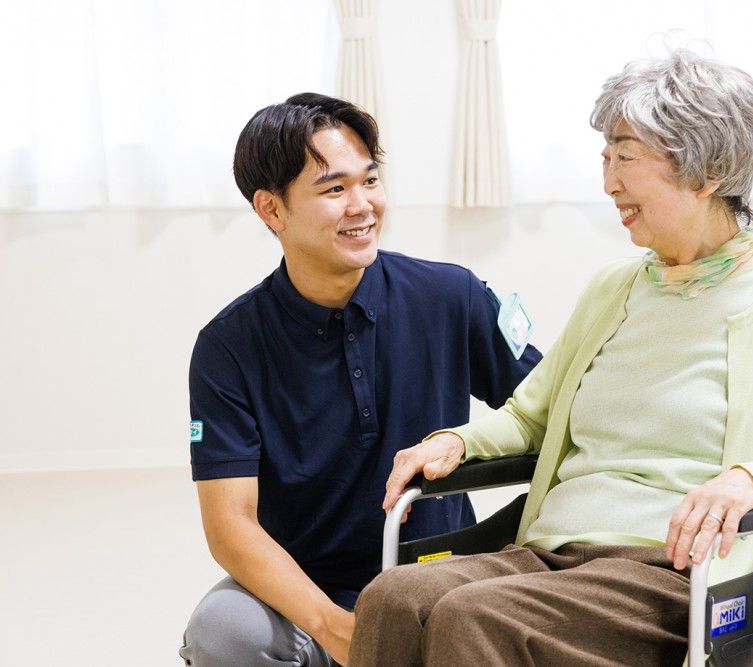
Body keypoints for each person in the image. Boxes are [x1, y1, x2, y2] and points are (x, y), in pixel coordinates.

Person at [348, 49, 753, 666]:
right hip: (550, 555)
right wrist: (458, 442)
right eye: (606, 157)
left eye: (626, 158)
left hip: (667, 576)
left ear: (706, 171)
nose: (609, 181)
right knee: (395, 595)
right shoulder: (614, 289)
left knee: (472, 616)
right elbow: (530, 416)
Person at [179, 93, 541, 666]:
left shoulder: (452, 296)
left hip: (439, 577)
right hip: (310, 594)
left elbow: (549, 410)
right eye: (333, 189)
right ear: (271, 210)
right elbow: (231, 524)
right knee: (222, 632)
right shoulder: (228, 345)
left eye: (369, 181)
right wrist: (336, 630)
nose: (362, 206)